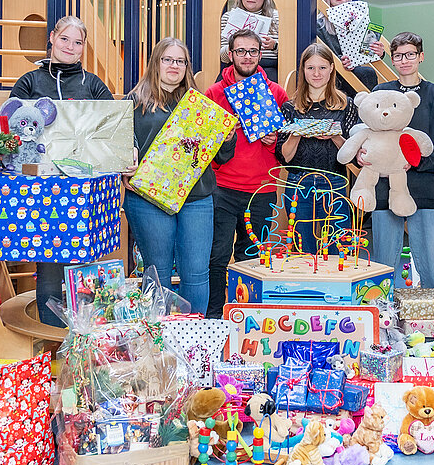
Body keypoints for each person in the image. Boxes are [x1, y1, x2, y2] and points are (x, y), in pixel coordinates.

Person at [9, 16, 114, 327]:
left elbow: (115, 126)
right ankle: (51, 344)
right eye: (65, 39)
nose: (70, 46)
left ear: (83, 47)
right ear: (52, 38)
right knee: (49, 264)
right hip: (42, 188)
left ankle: (81, 345)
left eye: (78, 42)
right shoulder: (29, 81)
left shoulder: (93, 84)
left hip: (84, 190)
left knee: (83, 266)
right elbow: (13, 130)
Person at [125, 38, 235, 312]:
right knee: (158, 273)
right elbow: (123, 145)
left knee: (197, 273)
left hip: (197, 197)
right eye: (167, 59)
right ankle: (158, 342)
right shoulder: (135, 101)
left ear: (187, 67)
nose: (174, 66)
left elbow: (221, 156)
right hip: (149, 198)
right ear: (156, 63)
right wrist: (127, 160)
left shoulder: (200, 104)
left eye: (180, 61)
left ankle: (194, 339)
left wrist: (228, 138)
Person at [206, 29, 289, 318]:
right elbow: (203, 143)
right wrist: (223, 137)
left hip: (262, 190)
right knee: (216, 257)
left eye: (253, 51)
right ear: (230, 55)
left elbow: (289, 145)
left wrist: (275, 139)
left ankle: (249, 314)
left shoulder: (277, 93)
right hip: (222, 188)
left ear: (260, 54)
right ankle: (214, 314)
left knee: (252, 258)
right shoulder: (214, 93)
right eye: (241, 51)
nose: (247, 56)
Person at [368, 32, 434, 290]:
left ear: (421, 57)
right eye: (398, 56)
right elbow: (369, 134)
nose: (404, 60)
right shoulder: (380, 92)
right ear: (392, 60)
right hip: (385, 189)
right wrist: (366, 154)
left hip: (426, 189)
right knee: (384, 263)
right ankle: (385, 321)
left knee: (429, 265)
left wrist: (417, 162)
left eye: (410, 55)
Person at [275, 43, 358, 254]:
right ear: (303, 70)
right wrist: (296, 133)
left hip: (335, 182)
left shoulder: (346, 105)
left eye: (322, 67)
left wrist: (335, 137)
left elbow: (353, 155)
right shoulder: (289, 107)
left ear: (331, 68)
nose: (316, 73)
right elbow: (284, 157)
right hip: (297, 184)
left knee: (339, 250)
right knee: (303, 251)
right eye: (310, 68)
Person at [316, 0, 386, 94]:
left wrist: (379, 52)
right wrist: (339, 61)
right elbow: (319, 56)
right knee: (366, 73)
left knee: (370, 75)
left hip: (356, 71)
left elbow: (366, 51)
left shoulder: (360, 16)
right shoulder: (319, 25)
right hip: (333, 75)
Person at [219, 0, 280, 83]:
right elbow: (223, 57)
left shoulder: (277, 17)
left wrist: (275, 45)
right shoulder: (228, 17)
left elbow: (289, 56)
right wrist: (234, 45)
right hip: (237, 70)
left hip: (269, 70)